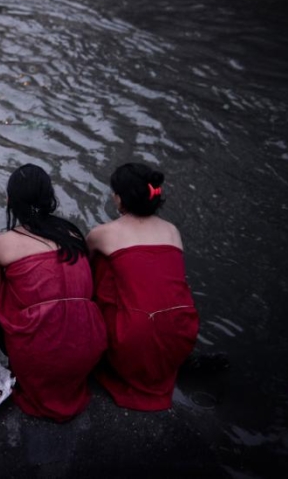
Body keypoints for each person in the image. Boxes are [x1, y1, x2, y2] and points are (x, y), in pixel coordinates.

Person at [0, 164, 107, 421]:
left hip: (37, 358)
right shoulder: (72, 233)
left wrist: (11, 353)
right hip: (88, 349)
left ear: (10, 200)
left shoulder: (0, 245)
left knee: (8, 295)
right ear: (49, 197)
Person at [86, 162, 199, 411]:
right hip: (181, 334)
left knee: (101, 270)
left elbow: (86, 276)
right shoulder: (172, 231)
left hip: (134, 341)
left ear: (119, 198)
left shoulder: (102, 234)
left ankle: (115, 355)